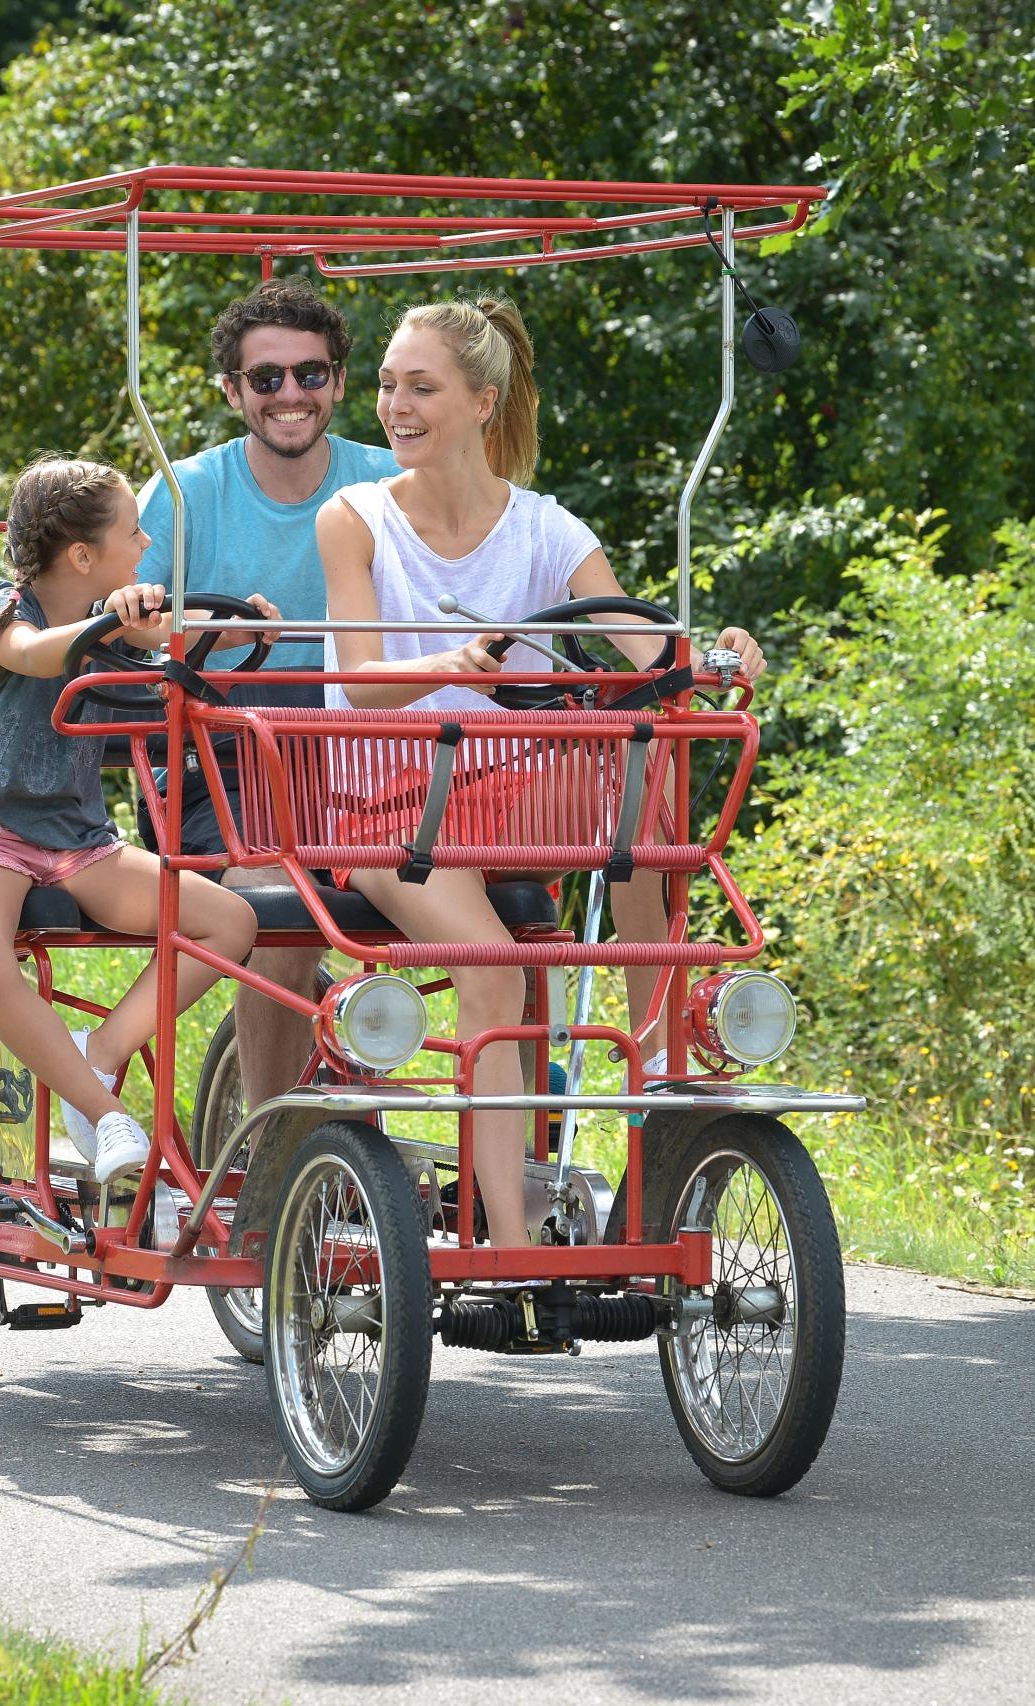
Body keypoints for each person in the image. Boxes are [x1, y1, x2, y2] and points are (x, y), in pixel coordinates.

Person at [316, 298, 769, 1246]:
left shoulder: (546, 529)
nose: (395, 405)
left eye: (420, 387)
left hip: (502, 786)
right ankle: (512, 1244)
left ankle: (658, 1057)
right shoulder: (353, 517)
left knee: (641, 782)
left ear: (483, 402)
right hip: (389, 799)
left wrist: (714, 655)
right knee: (501, 972)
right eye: (390, 385)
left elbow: (641, 645)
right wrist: (443, 668)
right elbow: (357, 681)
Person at [0, 456, 262, 1185]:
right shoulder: (4, 613)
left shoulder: (110, 624)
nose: (145, 547)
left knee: (231, 922)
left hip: (78, 843)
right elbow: (38, 657)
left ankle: (98, 1056)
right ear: (84, 556)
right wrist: (117, 621)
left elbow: (174, 632)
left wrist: (229, 627)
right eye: (134, 534)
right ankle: (106, 1115)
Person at [134, 279, 399, 1112]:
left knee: (514, 914)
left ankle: (514, 1147)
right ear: (232, 392)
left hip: (366, 751)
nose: (292, 395)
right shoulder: (184, 495)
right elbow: (122, 628)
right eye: (267, 379)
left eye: (311, 375)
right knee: (285, 911)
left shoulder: (389, 483)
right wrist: (206, 640)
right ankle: (271, 1153)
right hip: (223, 756)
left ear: (341, 384)